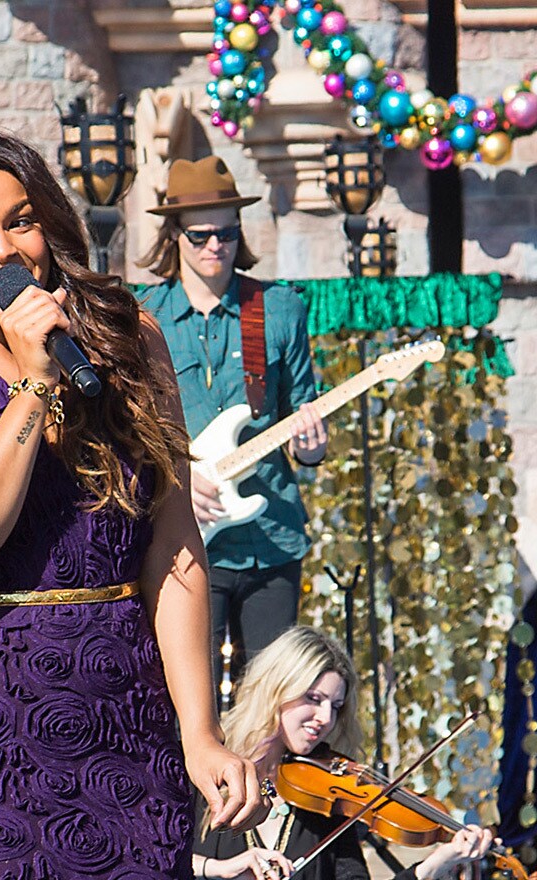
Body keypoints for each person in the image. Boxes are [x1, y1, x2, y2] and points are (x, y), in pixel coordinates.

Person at [0, 127, 266, 880]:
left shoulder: (127, 339)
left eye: (20, 220)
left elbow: (172, 547)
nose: (1, 250)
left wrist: (200, 732)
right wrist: (34, 387)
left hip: (124, 733)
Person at [137, 157, 328, 681]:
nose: (215, 247)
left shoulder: (279, 307)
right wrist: (177, 477)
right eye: (199, 235)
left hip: (271, 535)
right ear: (173, 235)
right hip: (181, 538)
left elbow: (302, 422)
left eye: (226, 233)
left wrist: (311, 445)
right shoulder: (142, 316)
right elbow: (130, 433)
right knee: (185, 699)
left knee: (269, 699)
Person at [193, 626, 496, 880]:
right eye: (313, 698)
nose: (326, 718)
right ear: (276, 689)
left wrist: (439, 861)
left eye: (335, 706)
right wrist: (219, 868)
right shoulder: (208, 764)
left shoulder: (328, 799)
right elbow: (150, 854)